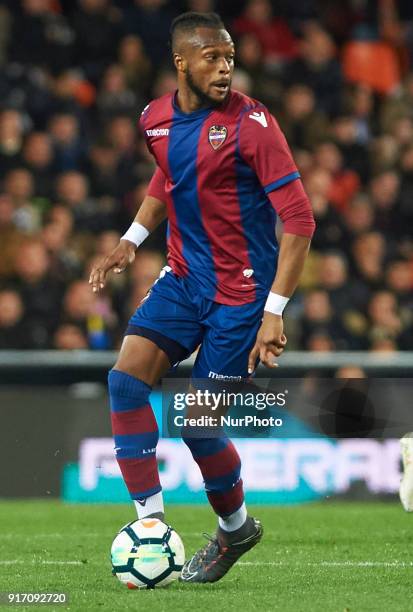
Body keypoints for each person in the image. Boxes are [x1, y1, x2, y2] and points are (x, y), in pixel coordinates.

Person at [90, 11, 315, 584]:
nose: (225, 69)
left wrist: (274, 311)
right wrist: (131, 239)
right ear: (181, 62)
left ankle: (235, 528)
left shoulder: (252, 124)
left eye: (231, 58)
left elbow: (299, 219)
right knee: (125, 380)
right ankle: (150, 526)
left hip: (241, 297)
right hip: (185, 279)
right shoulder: (154, 119)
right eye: (213, 58)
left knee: (195, 421)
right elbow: (169, 177)